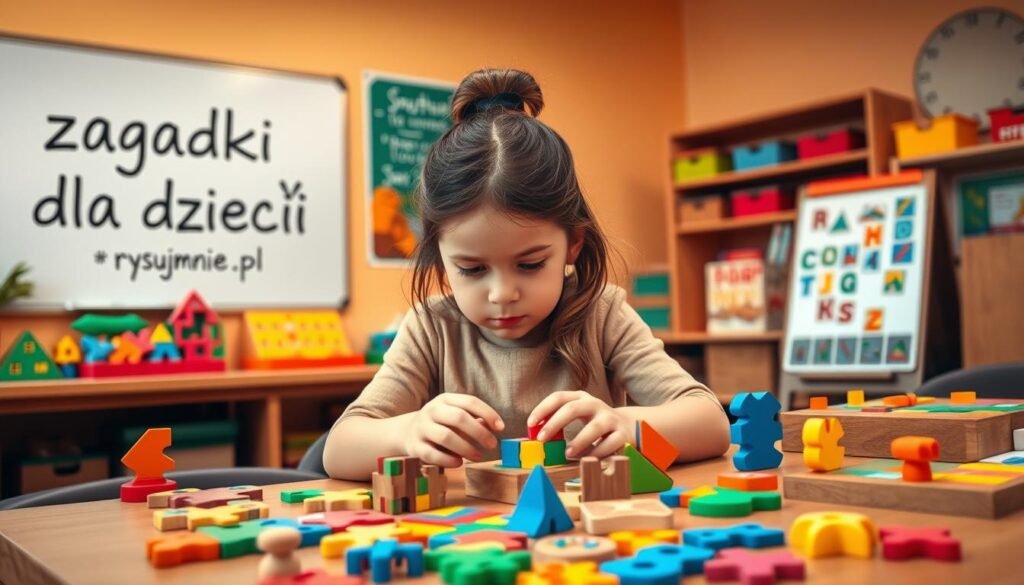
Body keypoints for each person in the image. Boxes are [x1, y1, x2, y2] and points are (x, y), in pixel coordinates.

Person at [324, 68, 729, 480]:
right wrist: (406, 432)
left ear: (573, 243)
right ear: (440, 257)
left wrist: (629, 427)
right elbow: (339, 448)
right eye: (472, 269)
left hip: (581, 536)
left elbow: (711, 422)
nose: (502, 293)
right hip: (469, 539)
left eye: (530, 264)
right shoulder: (432, 327)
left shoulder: (601, 313)